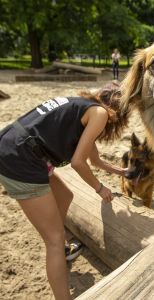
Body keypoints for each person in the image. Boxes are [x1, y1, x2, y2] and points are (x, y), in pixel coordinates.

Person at [0, 83, 129, 299]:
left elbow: (94, 160)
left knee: (65, 196)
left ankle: (62, 249)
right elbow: (78, 163)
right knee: (54, 238)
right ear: (119, 110)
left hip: (18, 146)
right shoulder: (99, 114)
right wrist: (100, 188)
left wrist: (121, 171)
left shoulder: (83, 107)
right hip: (19, 158)